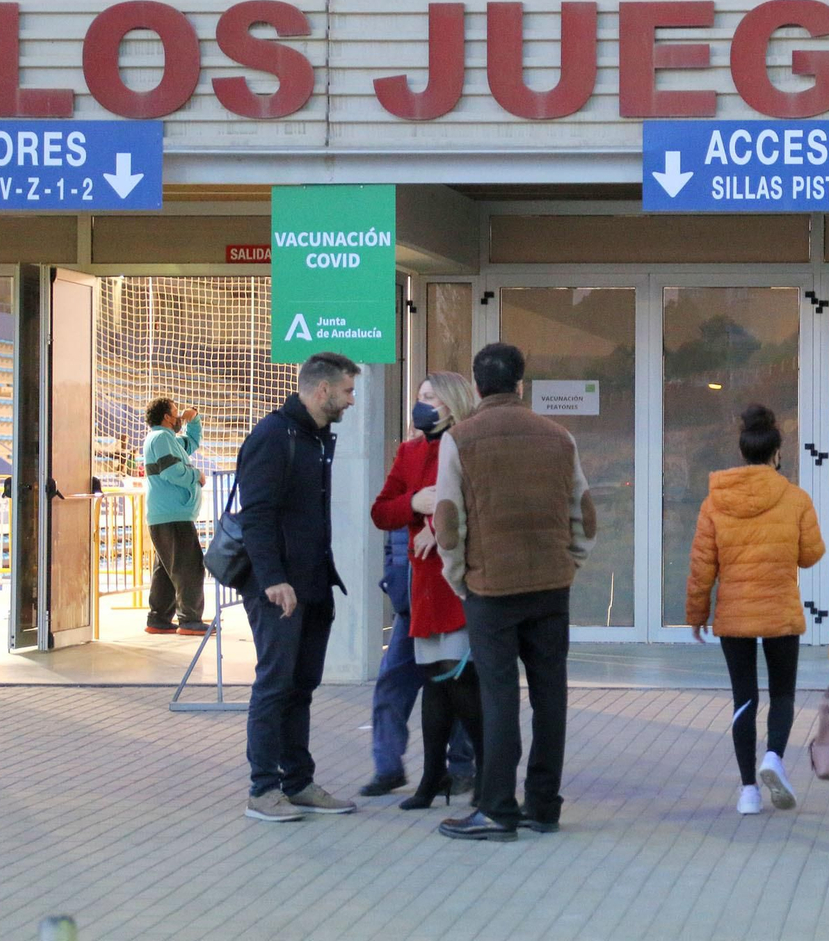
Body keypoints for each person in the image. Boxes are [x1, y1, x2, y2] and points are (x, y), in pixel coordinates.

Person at [432, 343, 596, 841]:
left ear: (477, 387)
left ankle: (498, 808)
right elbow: (584, 514)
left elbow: (448, 521)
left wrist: (459, 577)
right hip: (551, 586)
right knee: (551, 696)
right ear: (521, 385)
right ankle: (544, 806)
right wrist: (570, 563)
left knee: (499, 696)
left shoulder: (459, 440)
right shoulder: (560, 437)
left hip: (490, 588)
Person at [237, 351, 360, 823]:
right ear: (322, 390)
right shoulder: (273, 435)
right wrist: (273, 580)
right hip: (279, 589)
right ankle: (263, 790)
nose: (352, 401)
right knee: (275, 684)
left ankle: (299, 782)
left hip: (313, 585)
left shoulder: (315, 436)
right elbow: (257, 515)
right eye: (347, 391)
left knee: (301, 686)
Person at [686, 404, 824, 816]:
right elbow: (811, 555)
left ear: (743, 452)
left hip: (735, 615)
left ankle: (748, 790)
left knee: (743, 698)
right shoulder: (796, 498)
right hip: (780, 609)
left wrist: (696, 615)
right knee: (782, 694)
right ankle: (774, 758)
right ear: (776, 453)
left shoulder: (715, 503)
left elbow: (701, 566)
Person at [366, 372, 484, 810]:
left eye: (430, 397)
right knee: (415, 679)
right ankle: (398, 768)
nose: (422, 404)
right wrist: (415, 503)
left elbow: (476, 504)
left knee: (458, 683)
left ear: (452, 404)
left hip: (459, 585)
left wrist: (439, 527)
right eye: (419, 397)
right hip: (419, 590)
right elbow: (382, 510)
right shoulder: (410, 451)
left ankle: (465, 770)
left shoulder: (469, 446)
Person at [141, 397, 209, 635]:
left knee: (167, 570)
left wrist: (194, 420)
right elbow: (171, 471)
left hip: (167, 515)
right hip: (172, 515)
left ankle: (158, 618)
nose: (179, 416)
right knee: (189, 567)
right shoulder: (161, 438)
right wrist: (196, 476)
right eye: (176, 413)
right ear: (167, 417)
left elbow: (190, 443)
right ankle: (190, 619)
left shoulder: (167, 439)